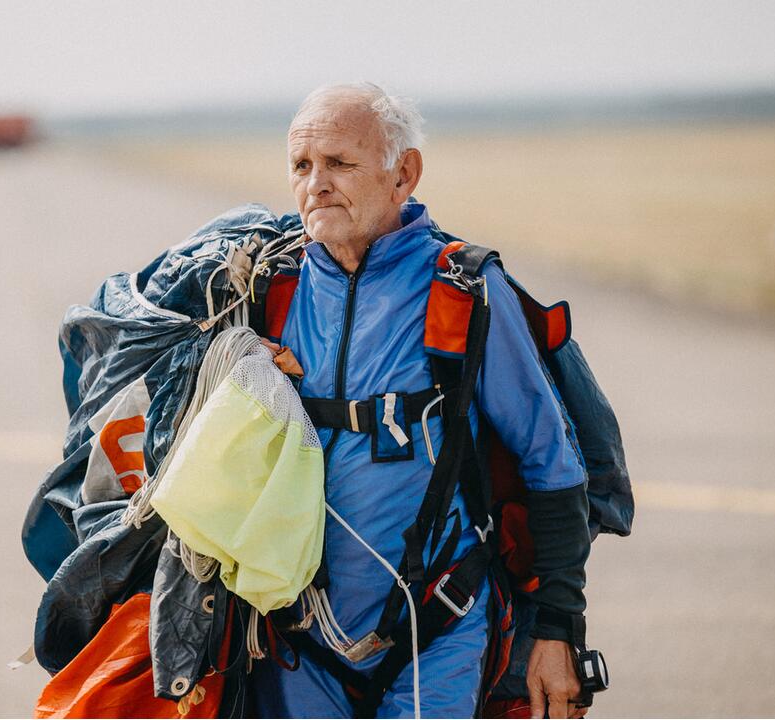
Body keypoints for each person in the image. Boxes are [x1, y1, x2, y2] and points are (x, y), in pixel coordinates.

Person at [249, 83, 593, 719]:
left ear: (403, 174)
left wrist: (557, 630)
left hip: (437, 633)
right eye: (301, 165)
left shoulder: (462, 292)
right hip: (299, 643)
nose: (316, 184)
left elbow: (552, 462)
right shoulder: (271, 293)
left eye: (339, 163)